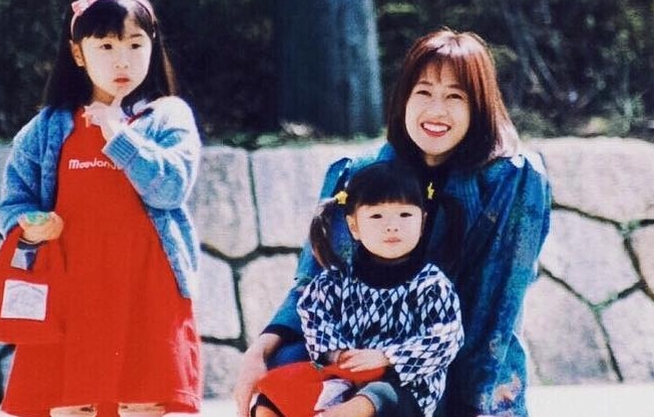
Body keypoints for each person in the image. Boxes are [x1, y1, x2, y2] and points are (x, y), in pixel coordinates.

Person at [235, 28, 551, 417]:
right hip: (353, 360)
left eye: (455, 96)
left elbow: (493, 314)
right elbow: (315, 283)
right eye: (424, 93)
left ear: (479, 106)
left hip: (436, 365)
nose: (436, 111)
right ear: (403, 97)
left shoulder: (510, 179)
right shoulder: (361, 173)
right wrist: (262, 349)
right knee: (284, 370)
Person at [0, 0, 202, 416]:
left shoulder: (168, 116)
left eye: (134, 43)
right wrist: (31, 224)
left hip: (149, 291)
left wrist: (118, 135)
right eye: (105, 45)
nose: (122, 59)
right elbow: (13, 205)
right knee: (72, 404)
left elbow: (171, 187)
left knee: (144, 403)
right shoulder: (47, 128)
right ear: (78, 53)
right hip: (72, 294)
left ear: (153, 45)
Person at [252, 162, 464, 417]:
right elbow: (314, 314)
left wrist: (387, 357)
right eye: (376, 216)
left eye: (405, 215)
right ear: (354, 226)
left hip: (406, 390)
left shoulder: (431, 284)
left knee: (377, 394)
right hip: (344, 378)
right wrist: (339, 354)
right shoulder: (334, 281)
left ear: (422, 221)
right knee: (272, 395)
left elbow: (447, 337)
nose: (392, 226)